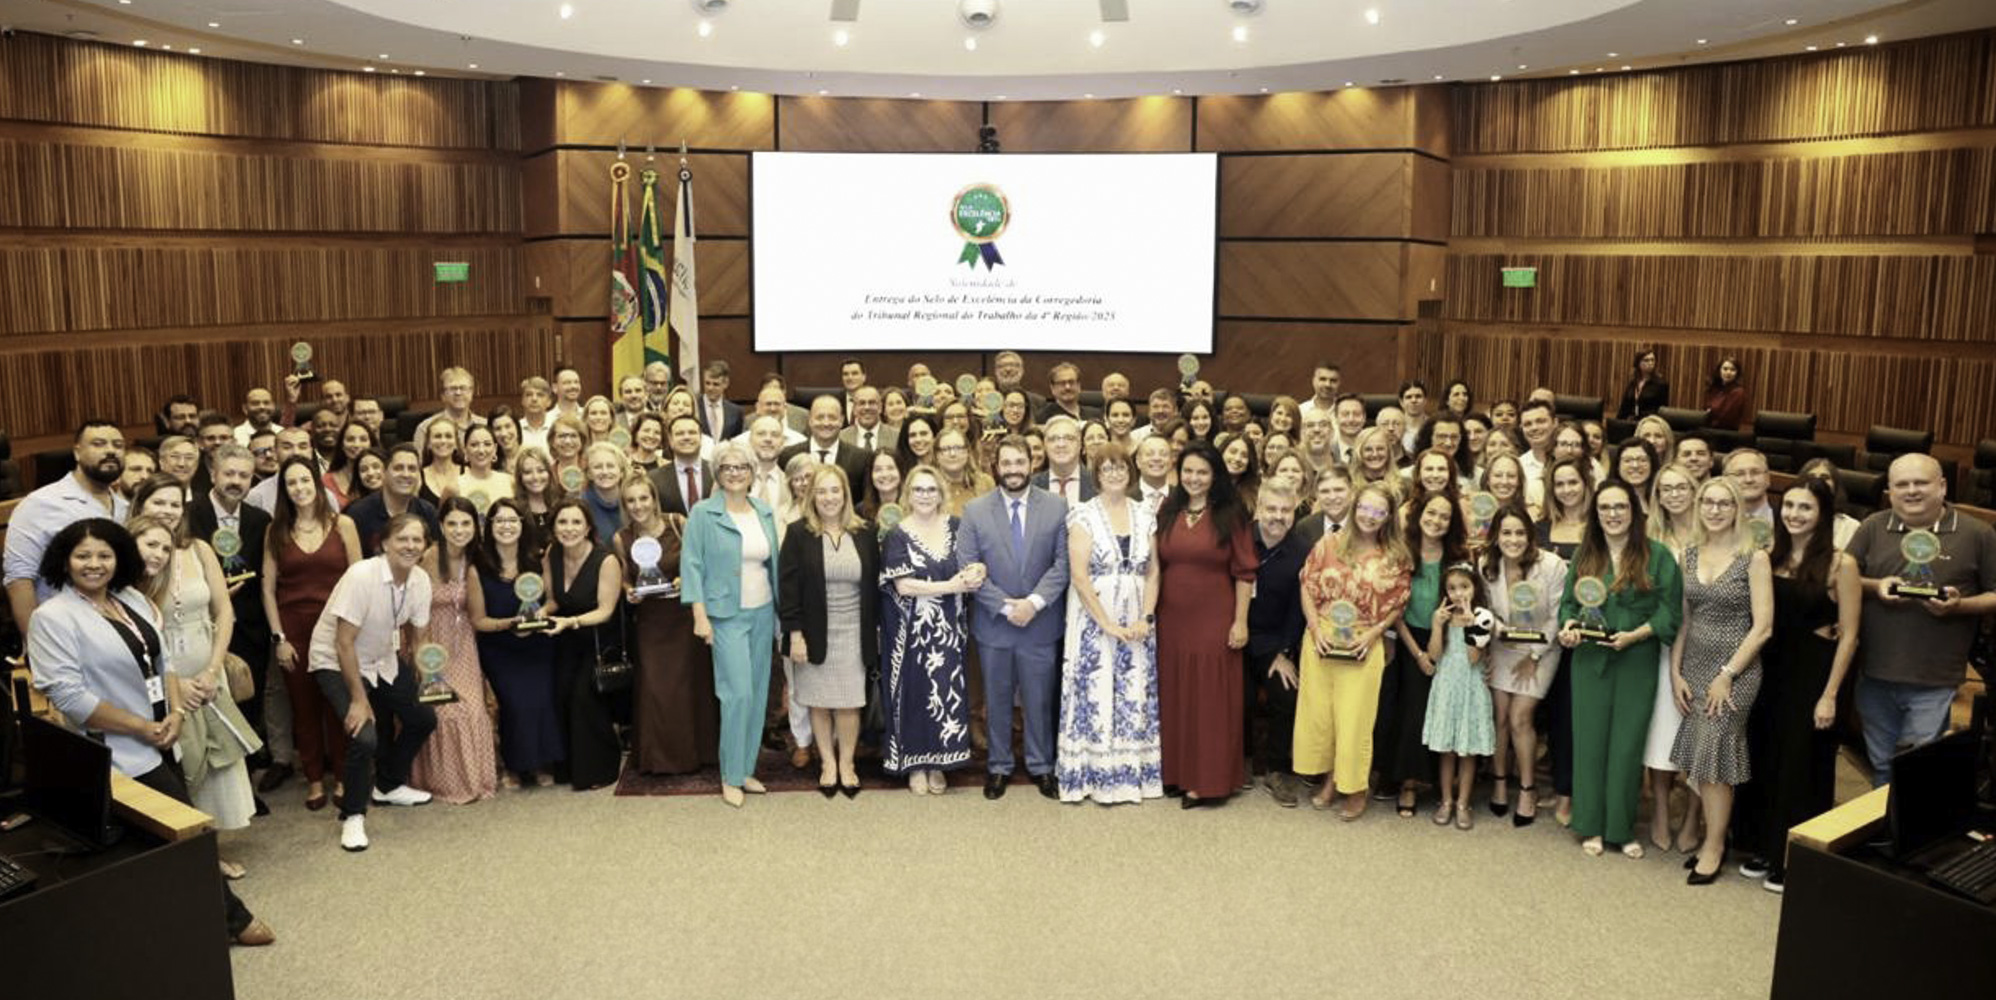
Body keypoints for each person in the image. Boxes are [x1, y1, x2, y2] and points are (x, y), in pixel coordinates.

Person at [27, 518, 273, 946]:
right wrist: (142, 727)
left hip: (164, 734)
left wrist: (175, 712)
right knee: (191, 836)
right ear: (64, 562)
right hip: (119, 749)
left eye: (104, 555)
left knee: (167, 841)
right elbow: (71, 698)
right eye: (83, 556)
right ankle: (234, 919)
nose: (94, 564)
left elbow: (164, 663)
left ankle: (180, 926)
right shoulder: (52, 617)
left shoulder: (130, 598)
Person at [1732, 476, 1861, 892]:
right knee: (1764, 755)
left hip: (1812, 674)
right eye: (1788, 505)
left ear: (1823, 513)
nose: (1794, 514)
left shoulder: (1841, 565)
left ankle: (1793, 856)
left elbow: (1850, 635)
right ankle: (1763, 845)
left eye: (1805, 507)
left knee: (1801, 765)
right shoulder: (1769, 556)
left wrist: (1830, 695)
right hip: (1768, 669)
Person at [1844, 453, 1996, 785]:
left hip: (1935, 680)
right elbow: (1840, 577)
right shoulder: (1872, 526)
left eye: (1921, 483)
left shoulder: (1978, 533)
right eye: (1902, 484)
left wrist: (1960, 605)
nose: (1911, 491)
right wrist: (1876, 586)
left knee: (1915, 771)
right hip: (1874, 674)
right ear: (1890, 491)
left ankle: (1906, 820)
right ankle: (1885, 818)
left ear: (1942, 486)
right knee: (1881, 767)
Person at [1557, 480, 1683, 859]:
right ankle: (1591, 825)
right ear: (1595, 514)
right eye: (1605, 508)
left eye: (1620, 507)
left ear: (1634, 512)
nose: (1612, 514)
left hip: (1636, 658)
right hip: (1590, 659)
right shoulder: (1586, 554)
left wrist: (1635, 635)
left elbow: (1669, 611)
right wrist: (1569, 628)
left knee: (1627, 745)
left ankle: (1621, 828)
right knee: (1590, 743)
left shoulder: (1658, 555)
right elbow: (1568, 606)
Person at [129, 513, 260, 876]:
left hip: (201, 678)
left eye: (164, 548)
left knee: (213, 761)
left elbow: (222, 609)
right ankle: (193, 857)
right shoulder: (126, 590)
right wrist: (176, 688)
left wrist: (211, 671)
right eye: (150, 544)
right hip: (157, 694)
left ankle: (207, 851)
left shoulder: (192, 554)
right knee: (184, 769)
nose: (158, 553)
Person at [308, 513, 439, 852]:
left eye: (417, 540)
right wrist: (358, 699)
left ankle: (388, 785)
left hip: (382, 658)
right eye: (402, 539)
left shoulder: (421, 581)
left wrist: (430, 677)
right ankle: (353, 815)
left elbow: (419, 638)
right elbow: (343, 643)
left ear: (425, 547)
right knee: (364, 736)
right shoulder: (361, 576)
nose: (410, 546)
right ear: (384, 543)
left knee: (423, 718)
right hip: (336, 660)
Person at [1670, 476, 1774, 883]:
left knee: (1715, 757)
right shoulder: (1690, 553)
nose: (1715, 510)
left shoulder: (1754, 557)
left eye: (1724, 503)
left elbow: (1763, 627)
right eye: (1708, 502)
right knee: (1697, 757)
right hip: (1694, 668)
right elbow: (1684, 620)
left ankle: (1714, 847)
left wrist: (1727, 675)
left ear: (1737, 509)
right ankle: (1711, 836)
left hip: (1736, 672)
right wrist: (1675, 672)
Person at [956, 435, 1069, 800]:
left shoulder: (1057, 507)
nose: (1013, 470)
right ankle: (999, 766)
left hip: (1040, 622)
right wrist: (1006, 607)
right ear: (996, 467)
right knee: (998, 699)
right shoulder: (975, 510)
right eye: (1006, 463)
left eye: (1019, 462)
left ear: (1031, 464)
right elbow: (968, 565)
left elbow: (1062, 564)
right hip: (995, 624)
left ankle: (1041, 765)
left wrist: (1033, 603)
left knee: (1039, 700)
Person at [1295, 482, 1412, 817]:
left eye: (1379, 511)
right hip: (1322, 639)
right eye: (1365, 508)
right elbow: (1306, 585)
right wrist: (1314, 628)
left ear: (1388, 516)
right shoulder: (1328, 543)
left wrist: (1375, 634)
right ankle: (1331, 779)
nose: (1369, 516)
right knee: (1322, 717)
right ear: (1354, 507)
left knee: (1355, 720)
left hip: (1362, 643)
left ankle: (1356, 787)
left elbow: (1398, 602)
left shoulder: (1395, 556)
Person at [1055, 443, 1162, 805]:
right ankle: (1092, 775)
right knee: (1095, 693)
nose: (1114, 474)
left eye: (1120, 467)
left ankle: (1131, 776)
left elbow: (1153, 571)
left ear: (1130, 472)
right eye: (1106, 468)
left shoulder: (1145, 514)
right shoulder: (1082, 515)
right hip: (1093, 621)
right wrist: (1107, 624)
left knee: (1133, 693)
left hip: (1137, 621)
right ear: (1096, 475)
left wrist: (1146, 616)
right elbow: (1079, 576)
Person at [1153, 441, 1257, 808]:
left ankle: (1208, 780)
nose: (1194, 478)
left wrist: (1240, 621)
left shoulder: (1231, 513)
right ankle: (1176, 773)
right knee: (1176, 694)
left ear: (1215, 476)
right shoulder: (1168, 509)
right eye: (1188, 471)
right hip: (1171, 620)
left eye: (1202, 472)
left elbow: (1245, 572)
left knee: (1210, 698)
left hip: (1215, 619)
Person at [682, 441, 782, 808]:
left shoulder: (763, 510)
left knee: (756, 694)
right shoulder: (703, 513)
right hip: (725, 616)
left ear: (752, 472)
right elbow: (692, 564)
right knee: (736, 693)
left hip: (763, 612)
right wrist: (699, 615)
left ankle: (745, 769)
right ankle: (730, 775)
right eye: (727, 467)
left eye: (742, 467)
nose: (735, 473)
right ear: (718, 473)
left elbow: (772, 562)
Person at [261, 456, 363, 811]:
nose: (299, 488)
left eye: (305, 480)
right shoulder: (275, 531)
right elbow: (267, 588)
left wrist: (354, 632)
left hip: (337, 628)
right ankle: (315, 779)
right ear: (284, 490)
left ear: (317, 484)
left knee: (338, 705)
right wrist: (279, 638)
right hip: (294, 629)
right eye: (292, 483)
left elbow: (359, 580)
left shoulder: (343, 524)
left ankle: (344, 777)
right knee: (303, 709)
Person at [879, 465, 980, 793]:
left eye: (931, 489)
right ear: (908, 495)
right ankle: (914, 764)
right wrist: (951, 586)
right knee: (914, 694)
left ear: (941, 493)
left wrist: (976, 572)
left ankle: (939, 762)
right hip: (911, 632)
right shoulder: (897, 534)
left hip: (949, 629)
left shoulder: (958, 527)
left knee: (946, 692)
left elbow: (973, 563)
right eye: (918, 490)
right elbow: (904, 586)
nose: (924, 495)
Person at [779, 465, 879, 798]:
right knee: (819, 703)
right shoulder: (798, 533)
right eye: (821, 491)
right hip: (812, 633)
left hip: (854, 631)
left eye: (835, 490)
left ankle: (847, 763)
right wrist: (795, 635)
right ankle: (827, 763)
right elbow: (788, 589)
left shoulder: (865, 532)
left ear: (845, 494)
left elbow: (875, 586)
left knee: (850, 702)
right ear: (811, 496)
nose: (829, 497)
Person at [616, 476, 717, 776]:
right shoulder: (622, 538)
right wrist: (629, 592)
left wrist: (686, 579)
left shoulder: (678, 523)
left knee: (688, 686)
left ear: (654, 499)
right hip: (650, 621)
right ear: (624, 505)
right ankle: (658, 758)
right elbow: (624, 578)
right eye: (631, 501)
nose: (638, 506)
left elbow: (701, 562)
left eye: (643, 498)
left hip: (684, 617)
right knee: (656, 688)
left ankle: (699, 753)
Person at [1381, 488, 1467, 816]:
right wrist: (1419, 654)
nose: (1436, 521)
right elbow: (1394, 610)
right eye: (1431, 513)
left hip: (1448, 638)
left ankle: (1438, 781)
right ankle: (1408, 782)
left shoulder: (1458, 557)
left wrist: (1440, 642)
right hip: (1409, 640)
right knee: (1414, 709)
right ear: (1419, 515)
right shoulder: (1401, 552)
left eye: (1445, 516)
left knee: (1443, 708)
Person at [406, 497, 498, 804]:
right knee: (443, 709)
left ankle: (475, 780)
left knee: (472, 708)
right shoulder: (426, 558)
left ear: (476, 526)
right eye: (452, 523)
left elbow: (480, 612)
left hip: (463, 645)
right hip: (429, 642)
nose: (459, 530)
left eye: (466, 523)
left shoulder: (476, 560)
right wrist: (419, 658)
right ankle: (440, 782)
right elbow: (410, 611)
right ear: (441, 527)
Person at [1482, 508, 1567, 825]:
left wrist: (1533, 656)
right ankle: (1499, 782)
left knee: (1520, 717)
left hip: (1542, 649)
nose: (1513, 540)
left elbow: (1558, 615)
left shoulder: (1552, 565)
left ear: (1530, 536)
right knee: (1501, 717)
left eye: (1520, 533)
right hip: (1502, 647)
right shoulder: (1486, 565)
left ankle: (1528, 789)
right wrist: (1498, 631)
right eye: (1506, 533)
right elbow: (1484, 610)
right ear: (1496, 536)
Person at [469, 498, 561, 788]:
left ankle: (541, 762)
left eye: (512, 520)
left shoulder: (538, 559)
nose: (506, 526)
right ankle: (515, 766)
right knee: (515, 704)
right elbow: (478, 620)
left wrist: (539, 615)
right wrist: (511, 624)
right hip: (500, 648)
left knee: (542, 700)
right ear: (489, 526)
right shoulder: (478, 568)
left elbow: (553, 601)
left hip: (537, 645)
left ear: (523, 525)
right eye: (499, 521)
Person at [6, 419, 129, 634]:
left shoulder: (126, 507)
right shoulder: (40, 504)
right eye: (98, 444)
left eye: (118, 445)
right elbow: (19, 580)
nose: (111, 451)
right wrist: (36, 642)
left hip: (120, 627)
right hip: (63, 632)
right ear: (77, 453)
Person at [539, 499, 625, 791]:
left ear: (588, 527)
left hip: (598, 639)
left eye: (576, 522)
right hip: (564, 638)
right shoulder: (552, 553)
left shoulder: (606, 560)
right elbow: (553, 600)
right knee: (559, 693)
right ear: (554, 527)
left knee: (582, 697)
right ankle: (567, 768)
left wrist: (571, 621)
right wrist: (540, 612)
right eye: (562, 522)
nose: (569, 528)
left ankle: (601, 768)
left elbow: (605, 611)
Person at [1245, 483, 1308, 806]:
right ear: (1258, 508)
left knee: (1287, 693)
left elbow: (1298, 611)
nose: (1278, 516)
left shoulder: (1302, 551)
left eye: (1285, 510)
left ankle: (1277, 769)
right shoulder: (1239, 540)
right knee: (1237, 694)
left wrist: (1284, 652)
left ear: (1294, 512)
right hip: (1235, 636)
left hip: (1274, 642)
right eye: (1271, 509)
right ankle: (1239, 762)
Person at [1422, 564, 1496, 830]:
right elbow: (1434, 655)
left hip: (1470, 687)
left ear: (1475, 588)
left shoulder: (1482, 617)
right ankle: (1446, 800)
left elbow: (1474, 657)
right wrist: (1436, 625)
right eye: (1452, 588)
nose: (1458, 593)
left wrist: (1469, 624)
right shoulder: (1442, 617)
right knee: (1447, 750)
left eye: (1464, 586)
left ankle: (1463, 803)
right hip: (1446, 685)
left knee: (1466, 750)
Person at [345, 444, 439, 557]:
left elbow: (434, 557)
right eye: (398, 468)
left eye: (412, 469)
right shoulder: (359, 513)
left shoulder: (428, 512)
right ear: (384, 472)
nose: (406, 474)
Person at [1034, 416, 1096, 505]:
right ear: (1044, 445)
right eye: (1053, 439)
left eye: (1069, 438)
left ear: (1080, 444)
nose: (1061, 444)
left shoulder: (1099, 483)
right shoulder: (1031, 486)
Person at [841, 384, 896, 455]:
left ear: (880, 407)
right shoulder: (841, 439)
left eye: (872, 403)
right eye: (862, 403)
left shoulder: (897, 437)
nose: (867, 407)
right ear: (854, 409)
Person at [1616, 349, 1669, 420]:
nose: (1650, 363)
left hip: (1649, 421)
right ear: (1638, 363)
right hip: (1632, 420)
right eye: (1646, 360)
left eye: (1652, 360)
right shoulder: (1633, 383)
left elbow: (1662, 410)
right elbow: (1624, 407)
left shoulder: (1660, 384)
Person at [697, 361, 744, 441]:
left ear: (726, 384)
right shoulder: (694, 406)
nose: (710, 388)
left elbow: (737, 441)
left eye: (716, 384)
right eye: (707, 383)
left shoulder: (735, 412)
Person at [1704, 357, 1749, 430]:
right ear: (1719, 371)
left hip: (1725, 432)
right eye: (1725, 369)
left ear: (1737, 373)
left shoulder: (1738, 392)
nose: (1728, 372)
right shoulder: (1715, 389)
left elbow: (1725, 418)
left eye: (1732, 370)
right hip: (1710, 428)